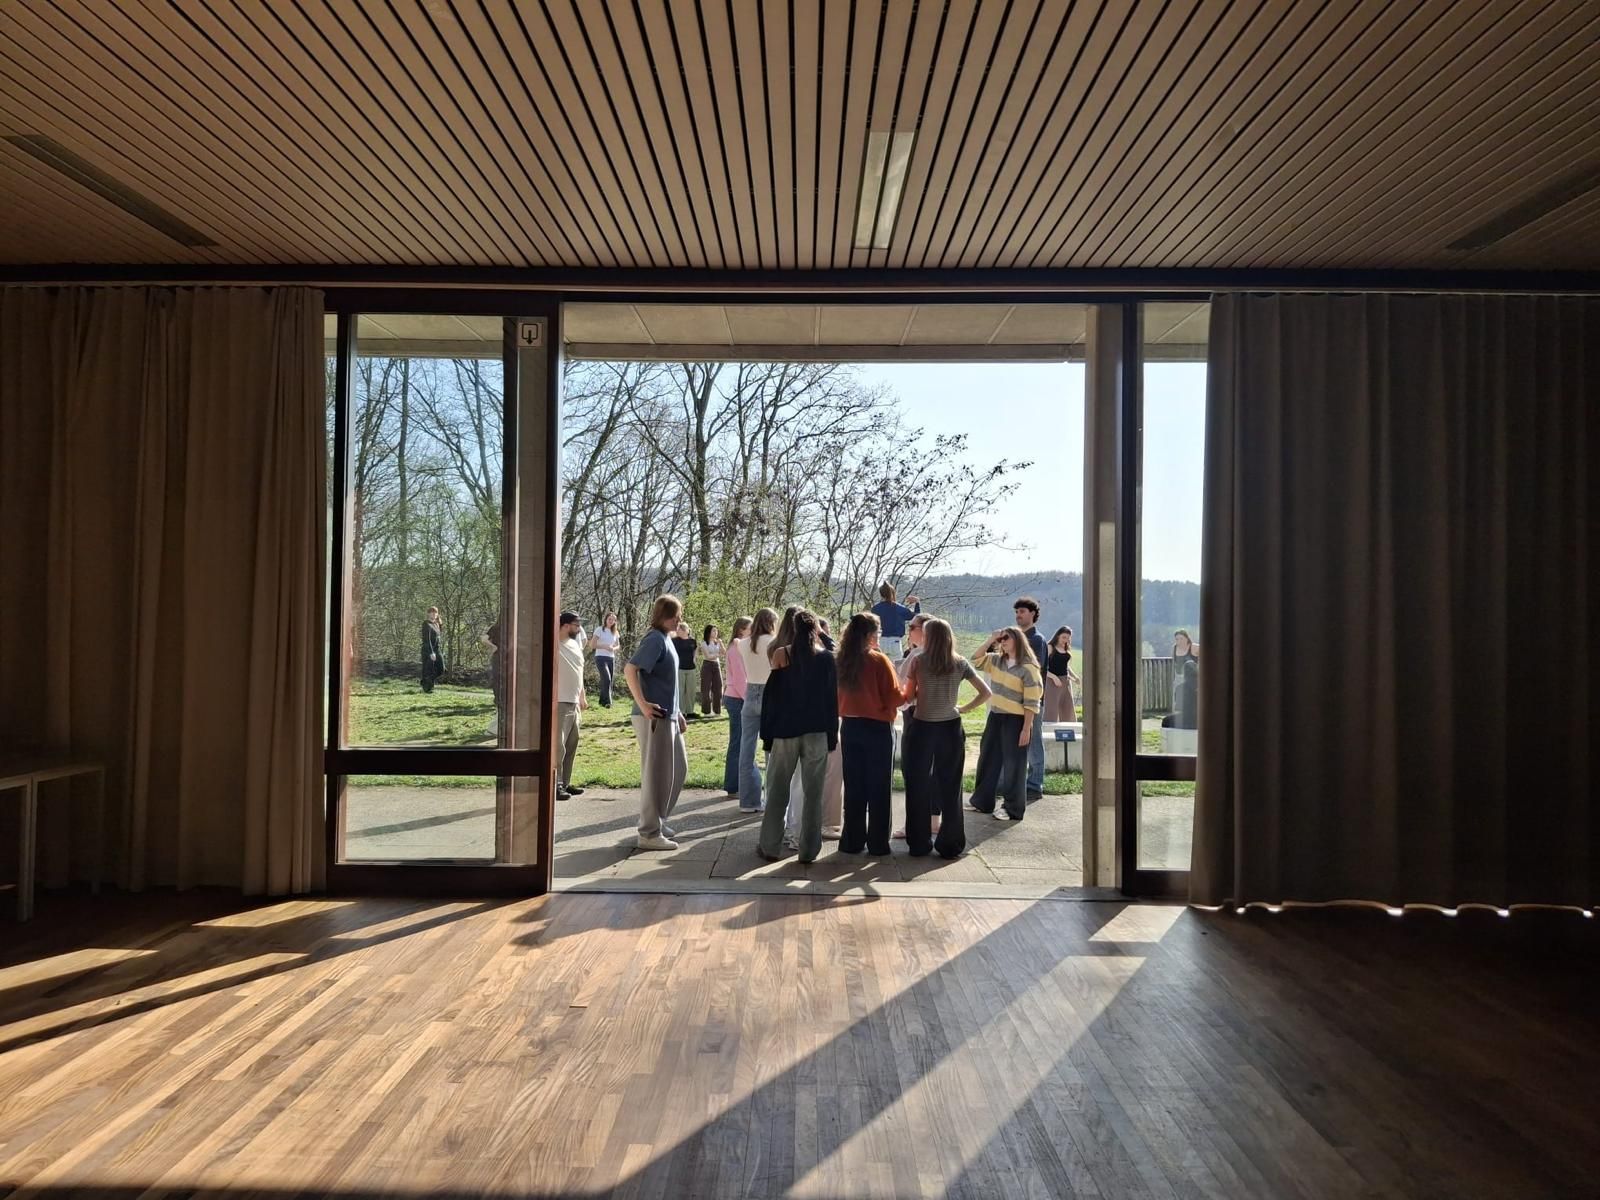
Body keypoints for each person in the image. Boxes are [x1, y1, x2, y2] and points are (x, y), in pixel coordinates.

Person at [900, 618, 990, 858]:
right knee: (951, 785)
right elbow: (986, 692)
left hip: (922, 726)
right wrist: (963, 708)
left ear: (928, 637)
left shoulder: (918, 661)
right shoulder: (960, 662)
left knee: (917, 784)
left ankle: (918, 843)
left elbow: (908, 696)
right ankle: (951, 844)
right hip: (950, 727)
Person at [757, 608, 838, 864]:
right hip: (816, 732)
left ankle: (770, 846)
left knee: (777, 790)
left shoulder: (782, 654)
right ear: (816, 630)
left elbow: (772, 698)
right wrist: (832, 735)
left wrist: (767, 733)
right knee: (813, 794)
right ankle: (809, 850)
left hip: (785, 731)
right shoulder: (826, 659)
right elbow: (831, 701)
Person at [623, 595, 689, 851]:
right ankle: (649, 833)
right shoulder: (654, 640)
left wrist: (678, 712)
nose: (679, 620)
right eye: (676, 616)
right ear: (664, 616)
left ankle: (657, 820)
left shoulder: (666, 639)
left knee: (678, 768)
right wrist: (643, 704)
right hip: (653, 717)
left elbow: (667, 681)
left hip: (668, 716)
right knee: (656, 775)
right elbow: (630, 669)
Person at [834, 612, 903, 855]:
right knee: (879, 786)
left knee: (854, 786)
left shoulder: (841, 660)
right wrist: (910, 691)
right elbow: (894, 697)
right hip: (877, 728)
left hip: (850, 727)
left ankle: (852, 840)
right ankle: (877, 843)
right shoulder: (878, 660)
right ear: (871, 634)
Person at [967, 625, 1044, 823]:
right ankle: (982, 802)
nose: (1002, 642)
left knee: (1014, 765)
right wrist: (990, 639)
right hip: (996, 716)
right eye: (1000, 639)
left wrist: (1026, 729)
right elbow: (975, 660)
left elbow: (1032, 702)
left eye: (1006, 638)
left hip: (1016, 720)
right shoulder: (997, 660)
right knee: (988, 758)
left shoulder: (1029, 668)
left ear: (1017, 640)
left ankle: (1012, 809)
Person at [735, 607, 779, 812]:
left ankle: (748, 801)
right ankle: (771, 800)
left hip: (750, 694)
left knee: (746, 749)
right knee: (772, 750)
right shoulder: (775, 643)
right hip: (771, 695)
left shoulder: (743, 643)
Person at [1013, 597, 1049, 802]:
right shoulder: (1019, 638)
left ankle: (1035, 785)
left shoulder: (1036, 640)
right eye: (1017, 612)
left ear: (1033, 614)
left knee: (1034, 742)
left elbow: (1033, 668)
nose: (1018, 615)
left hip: (1033, 700)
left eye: (1022, 611)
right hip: (1017, 699)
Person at [554, 611, 587, 800]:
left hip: (574, 702)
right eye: (576, 625)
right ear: (565, 625)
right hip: (559, 701)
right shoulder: (554, 644)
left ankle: (565, 782)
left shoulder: (575, 645)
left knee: (572, 742)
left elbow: (579, 671)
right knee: (558, 746)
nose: (579, 628)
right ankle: (555, 784)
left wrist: (582, 696)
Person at [722, 616, 753, 797]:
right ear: (741, 630)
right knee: (737, 742)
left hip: (737, 698)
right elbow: (741, 679)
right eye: (751, 628)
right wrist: (749, 700)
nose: (754, 631)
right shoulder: (736, 649)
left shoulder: (740, 647)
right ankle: (733, 786)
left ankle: (737, 785)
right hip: (737, 699)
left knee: (740, 742)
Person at [869, 583, 920, 660]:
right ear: (893, 593)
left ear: (881, 594)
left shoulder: (875, 609)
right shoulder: (899, 608)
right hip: (895, 642)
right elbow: (916, 617)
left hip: (880, 641)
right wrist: (917, 603)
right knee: (896, 666)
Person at [1043, 626, 1079, 723]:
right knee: (1051, 710)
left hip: (1066, 682)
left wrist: (1075, 677)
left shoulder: (1066, 648)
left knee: (1068, 709)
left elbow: (1066, 666)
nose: (1066, 640)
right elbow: (1042, 667)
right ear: (1058, 636)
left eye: (1068, 638)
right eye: (1064, 637)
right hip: (1052, 682)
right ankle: (1048, 731)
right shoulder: (1050, 647)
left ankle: (1070, 730)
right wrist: (1054, 677)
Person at [586, 612, 621, 707]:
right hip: (600, 657)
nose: (611, 621)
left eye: (613, 620)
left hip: (611, 658)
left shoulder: (615, 632)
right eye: (609, 619)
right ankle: (608, 702)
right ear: (605, 619)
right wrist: (604, 646)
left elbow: (618, 645)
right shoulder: (599, 630)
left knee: (609, 680)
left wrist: (613, 648)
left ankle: (602, 701)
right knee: (607, 679)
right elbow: (592, 645)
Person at [1170, 629, 1199, 730]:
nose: (1179, 641)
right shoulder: (1174, 648)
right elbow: (1174, 664)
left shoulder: (1194, 647)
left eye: (1181, 638)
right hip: (1179, 677)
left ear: (1187, 638)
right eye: (1177, 639)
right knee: (1179, 696)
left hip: (1192, 678)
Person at [671, 621, 698, 718]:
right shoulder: (674, 641)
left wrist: (695, 658)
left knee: (691, 691)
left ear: (684, 630)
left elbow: (695, 649)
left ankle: (690, 711)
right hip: (679, 668)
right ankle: (681, 711)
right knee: (680, 690)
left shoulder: (692, 641)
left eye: (679, 629)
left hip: (691, 668)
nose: (677, 631)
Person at [699, 624, 725, 716]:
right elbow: (708, 656)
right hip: (707, 665)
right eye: (713, 630)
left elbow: (724, 652)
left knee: (718, 687)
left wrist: (721, 643)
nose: (716, 632)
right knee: (706, 689)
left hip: (716, 665)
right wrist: (718, 655)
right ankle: (707, 712)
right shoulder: (704, 643)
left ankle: (717, 711)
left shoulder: (717, 642)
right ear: (708, 632)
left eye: (716, 631)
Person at [420, 606, 444, 693]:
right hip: (428, 650)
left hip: (437, 650)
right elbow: (427, 640)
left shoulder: (437, 624)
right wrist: (431, 652)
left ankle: (425, 681)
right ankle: (428, 688)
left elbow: (438, 638)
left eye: (435, 612)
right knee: (429, 669)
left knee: (441, 669)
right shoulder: (426, 624)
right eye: (432, 612)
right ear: (428, 614)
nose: (434, 614)